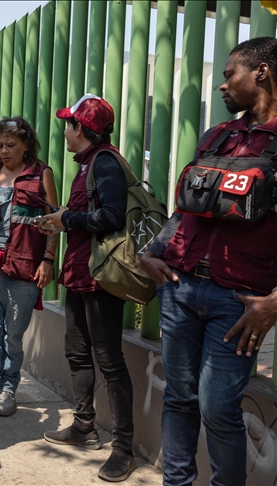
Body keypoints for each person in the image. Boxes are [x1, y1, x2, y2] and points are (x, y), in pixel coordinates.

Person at [140, 37, 277, 486]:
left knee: (218, 407)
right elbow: (186, 210)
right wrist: (153, 252)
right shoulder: (218, 135)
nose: (222, 84)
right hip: (180, 287)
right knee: (179, 398)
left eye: (228, 73)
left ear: (261, 73)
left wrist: (274, 302)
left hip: (238, 303)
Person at [39, 94, 136, 482]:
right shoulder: (85, 165)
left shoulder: (106, 162)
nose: (64, 130)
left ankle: (124, 449)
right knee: (77, 353)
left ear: (79, 129)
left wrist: (67, 219)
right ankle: (83, 427)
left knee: (110, 362)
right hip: (79, 274)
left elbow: (111, 215)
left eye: (68, 124)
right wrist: (59, 220)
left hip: (100, 279)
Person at [0, 116, 58, 418]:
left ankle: (8, 389)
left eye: (10, 144)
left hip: (23, 266)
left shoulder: (41, 174)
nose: (4, 151)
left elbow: (52, 222)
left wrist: (48, 259)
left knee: (12, 334)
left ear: (26, 144)